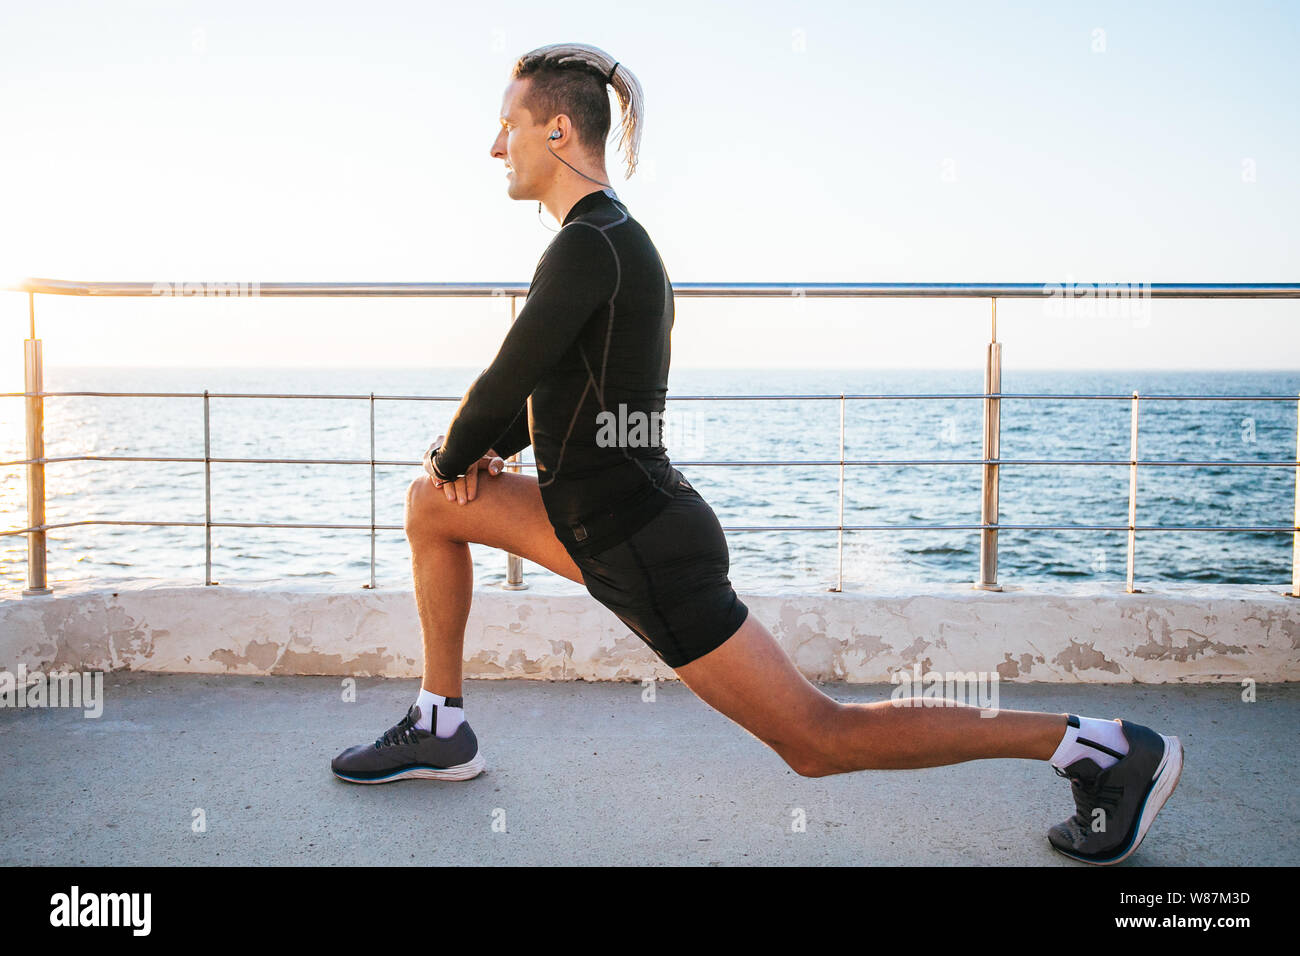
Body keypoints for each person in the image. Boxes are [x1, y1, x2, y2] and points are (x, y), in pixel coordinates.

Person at [331, 42, 1182, 865]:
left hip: (639, 545)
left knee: (817, 739)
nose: (493, 145)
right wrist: (475, 458)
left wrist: (457, 449)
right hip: (589, 521)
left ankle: (1100, 749)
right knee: (428, 505)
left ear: (557, 130)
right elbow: (556, 389)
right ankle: (442, 728)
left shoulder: (590, 245)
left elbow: (505, 373)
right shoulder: (610, 241)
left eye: (507, 124)